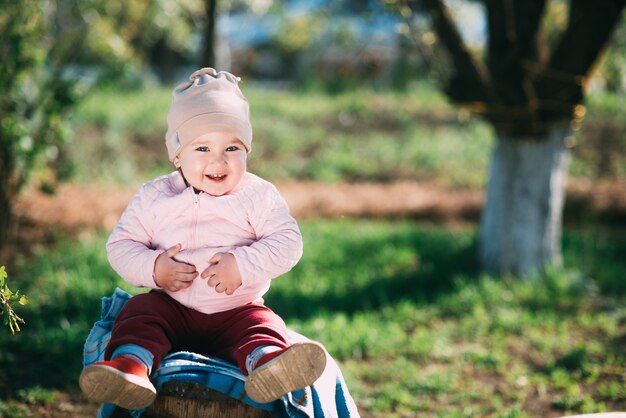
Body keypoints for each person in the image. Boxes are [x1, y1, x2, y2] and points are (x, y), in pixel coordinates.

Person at [79, 67, 327, 410]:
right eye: (203, 148)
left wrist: (242, 265)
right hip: (172, 307)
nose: (218, 160)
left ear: (247, 151)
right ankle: (131, 366)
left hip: (236, 308)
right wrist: (154, 269)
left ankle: (269, 363)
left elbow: (288, 242)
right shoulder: (156, 197)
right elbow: (121, 246)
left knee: (263, 324)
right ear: (177, 154)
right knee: (139, 313)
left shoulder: (257, 196)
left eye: (232, 147)